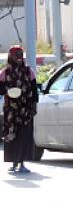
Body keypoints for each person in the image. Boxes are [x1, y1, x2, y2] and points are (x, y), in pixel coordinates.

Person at [1, 45, 38, 174]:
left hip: (26, 110)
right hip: (11, 111)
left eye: (21, 55)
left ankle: (22, 163)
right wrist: (8, 91)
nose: (19, 58)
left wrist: (34, 106)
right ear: (10, 57)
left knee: (24, 136)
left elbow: (34, 90)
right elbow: (0, 90)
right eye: (16, 55)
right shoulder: (5, 73)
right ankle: (14, 162)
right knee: (12, 136)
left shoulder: (29, 72)